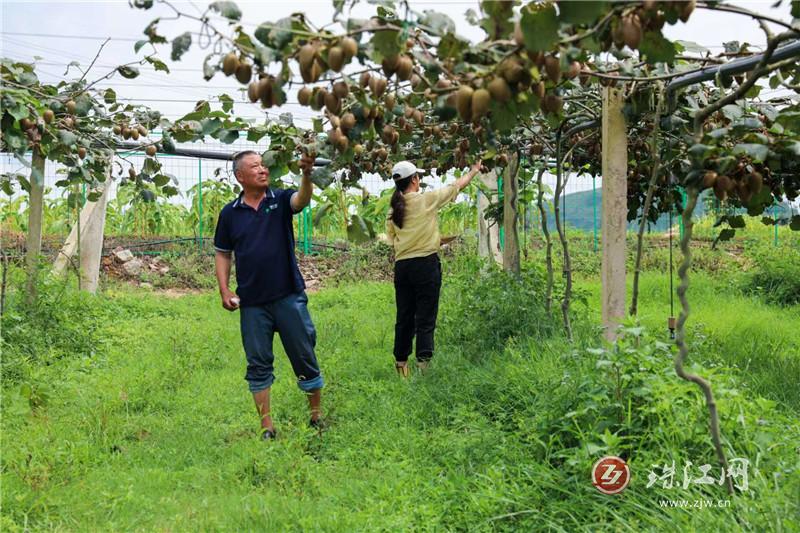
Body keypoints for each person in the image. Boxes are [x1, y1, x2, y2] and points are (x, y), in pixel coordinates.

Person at [214, 150, 322, 440]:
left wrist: (307, 175)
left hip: (288, 296)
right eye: (255, 166)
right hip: (252, 304)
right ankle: (266, 427)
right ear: (240, 176)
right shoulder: (230, 213)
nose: (263, 170)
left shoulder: (281, 199)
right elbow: (223, 253)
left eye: (263, 165)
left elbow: (302, 200)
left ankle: (316, 415)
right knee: (258, 363)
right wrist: (225, 289)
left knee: (303, 354)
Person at [386, 160, 483, 377]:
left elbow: (394, 240)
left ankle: (402, 370)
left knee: (404, 317)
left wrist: (432, 239)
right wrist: (474, 170)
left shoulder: (393, 210)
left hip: (402, 268)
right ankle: (424, 370)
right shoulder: (426, 200)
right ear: (414, 179)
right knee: (425, 318)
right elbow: (457, 185)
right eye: (418, 177)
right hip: (425, 265)